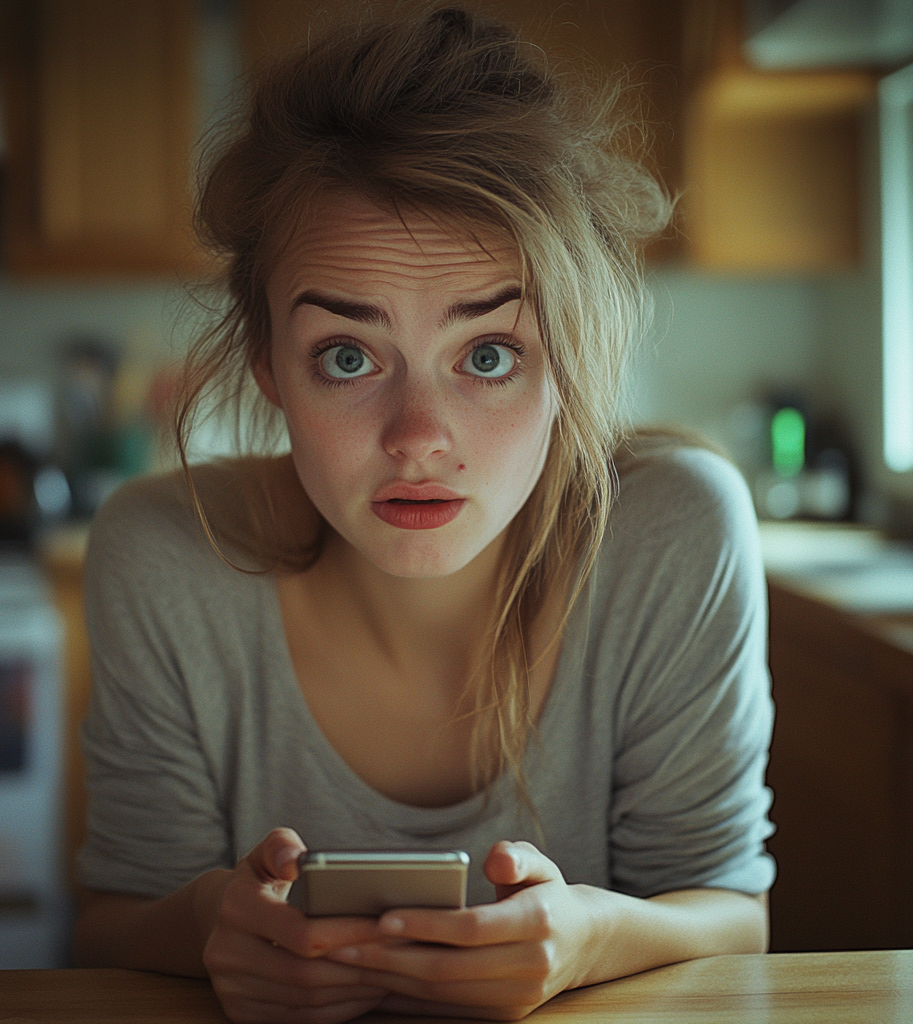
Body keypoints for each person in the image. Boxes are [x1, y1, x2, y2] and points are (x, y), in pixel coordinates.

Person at [72, 4, 775, 1022]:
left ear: (564, 360)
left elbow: (731, 915)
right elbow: (108, 919)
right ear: (269, 363)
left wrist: (587, 939)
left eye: (488, 356)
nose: (417, 435)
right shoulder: (163, 554)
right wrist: (208, 925)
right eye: (347, 356)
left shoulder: (673, 532)